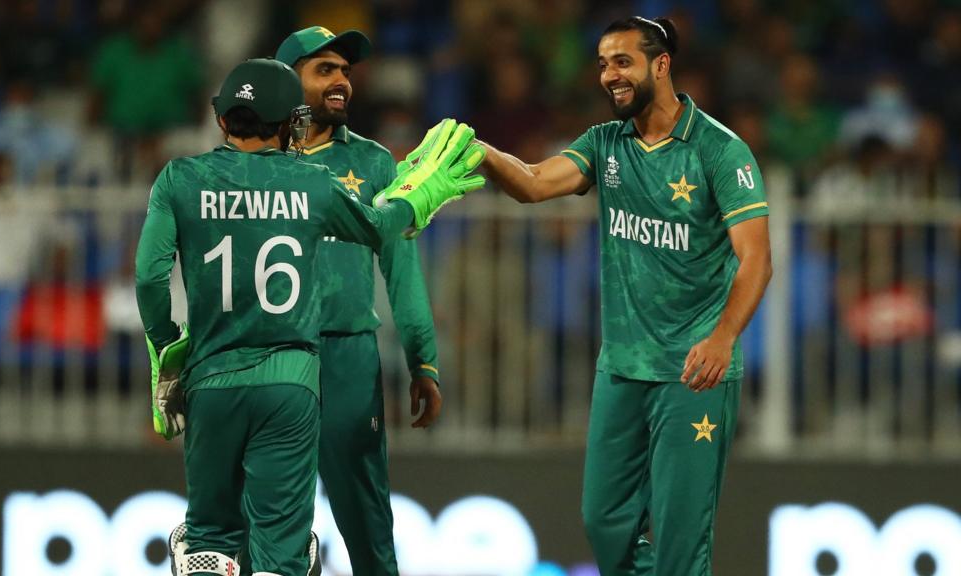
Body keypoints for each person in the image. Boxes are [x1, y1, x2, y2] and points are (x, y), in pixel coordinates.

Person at [136, 58, 483, 576]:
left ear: (224, 119)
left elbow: (148, 278)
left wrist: (168, 354)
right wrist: (421, 195)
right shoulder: (312, 183)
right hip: (290, 384)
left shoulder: (180, 179)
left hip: (211, 380)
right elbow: (377, 225)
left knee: (209, 537)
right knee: (283, 551)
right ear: (289, 124)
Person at [477, 17, 772, 575]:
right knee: (604, 520)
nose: (609, 75)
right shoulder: (605, 142)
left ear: (661, 65)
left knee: (682, 542)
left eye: (622, 62)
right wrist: (479, 150)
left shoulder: (719, 150)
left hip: (693, 373)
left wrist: (723, 338)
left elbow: (757, 258)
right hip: (622, 366)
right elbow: (536, 183)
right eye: (603, 64)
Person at [275, 26, 442, 576]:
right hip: (269, 353)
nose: (342, 81)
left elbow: (402, 272)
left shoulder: (373, 164)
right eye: (325, 70)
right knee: (273, 518)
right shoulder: (254, 162)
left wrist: (423, 358)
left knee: (366, 518)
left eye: (345, 71)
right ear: (285, 81)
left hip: (347, 356)